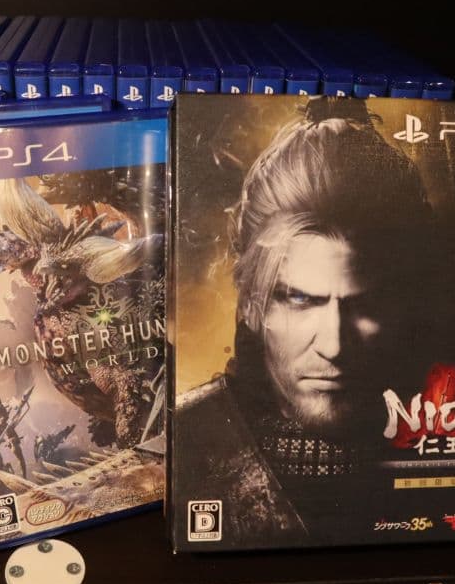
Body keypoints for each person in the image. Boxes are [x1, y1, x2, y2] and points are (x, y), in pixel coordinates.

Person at [175, 100, 438, 547]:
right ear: (251, 303)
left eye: (365, 305)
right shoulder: (185, 443)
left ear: (406, 303)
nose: (334, 345)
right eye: (299, 299)